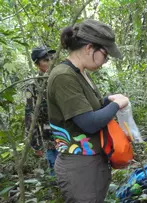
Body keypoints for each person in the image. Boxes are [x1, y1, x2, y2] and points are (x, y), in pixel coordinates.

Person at [47, 19, 128, 202]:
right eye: (105, 55)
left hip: (92, 160)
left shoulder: (81, 73)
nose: (105, 61)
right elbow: (89, 123)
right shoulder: (63, 76)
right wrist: (116, 105)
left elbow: (91, 109)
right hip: (79, 166)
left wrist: (108, 100)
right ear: (90, 48)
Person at [25, 46, 57, 176]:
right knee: (56, 172)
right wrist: (36, 144)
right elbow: (30, 115)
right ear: (38, 64)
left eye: (52, 58)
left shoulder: (61, 78)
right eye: (46, 60)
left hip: (72, 134)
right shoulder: (33, 86)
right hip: (50, 137)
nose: (51, 62)